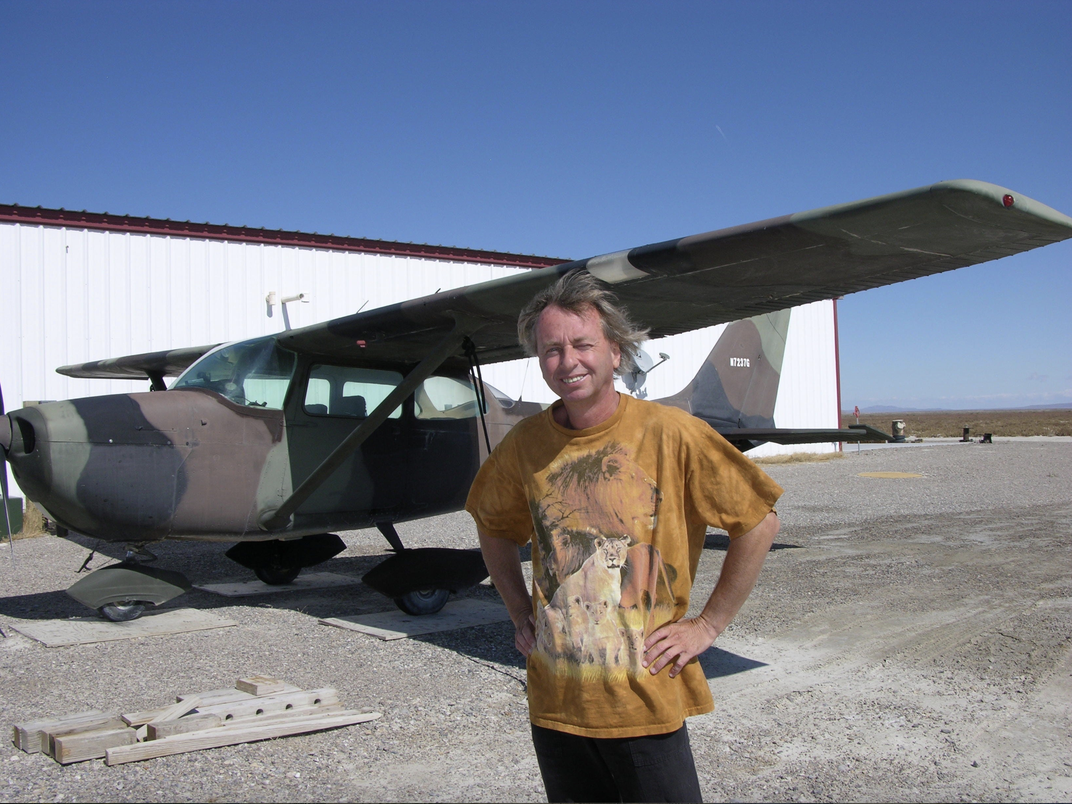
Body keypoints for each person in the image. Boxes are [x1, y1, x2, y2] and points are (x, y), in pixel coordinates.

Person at [465, 269, 783, 803]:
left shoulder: (672, 432)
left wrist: (707, 626)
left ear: (616, 352)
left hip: (644, 702)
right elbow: (494, 526)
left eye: (583, 344)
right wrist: (520, 612)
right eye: (550, 350)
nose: (568, 362)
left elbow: (759, 522)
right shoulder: (525, 445)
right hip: (556, 705)